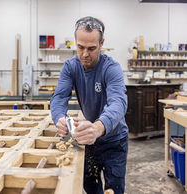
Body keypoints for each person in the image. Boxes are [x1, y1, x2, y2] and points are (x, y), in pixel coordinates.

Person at [50, 16, 129, 194]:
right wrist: (59, 118)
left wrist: (98, 128)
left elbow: (118, 102)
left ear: (101, 44)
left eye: (92, 48)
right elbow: (59, 97)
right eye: (80, 47)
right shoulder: (70, 67)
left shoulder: (111, 68)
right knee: (90, 187)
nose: (85, 54)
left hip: (114, 141)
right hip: (88, 141)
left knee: (114, 189)